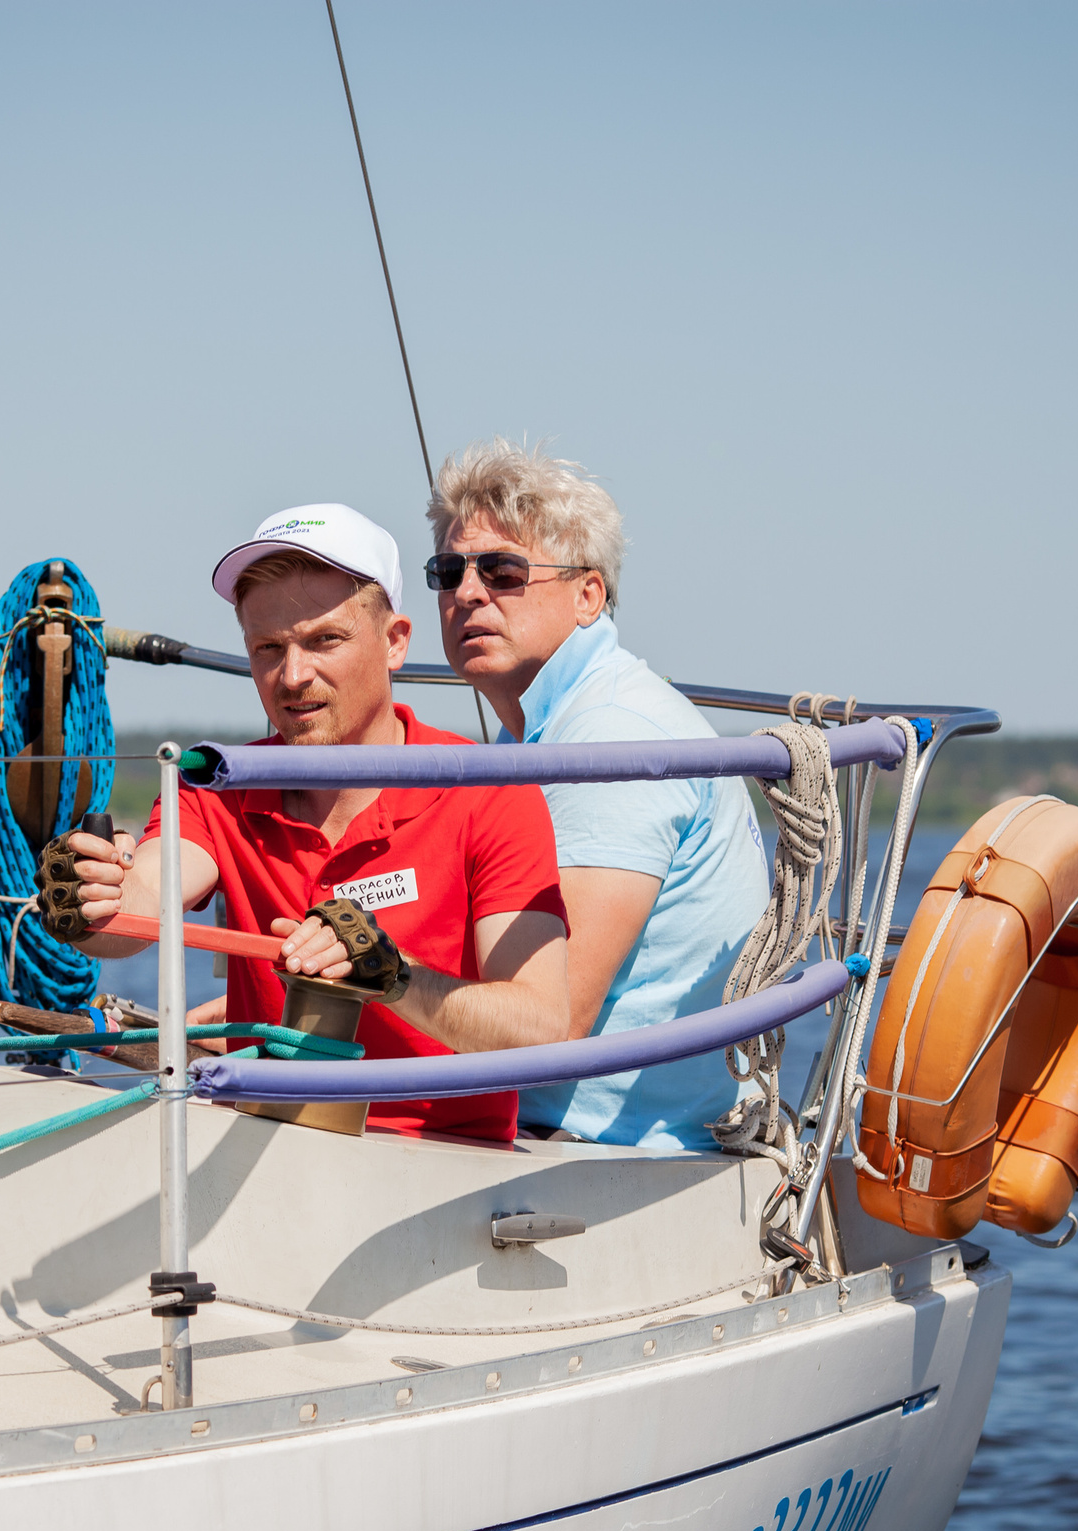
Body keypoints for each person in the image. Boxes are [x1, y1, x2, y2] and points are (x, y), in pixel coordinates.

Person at [48, 503, 569, 1144]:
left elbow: (541, 1027)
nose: (292, 677)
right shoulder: (217, 781)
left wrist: (391, 974)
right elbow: (142, 900)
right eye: (268, 648)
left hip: (441, 1172)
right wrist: (96, 893)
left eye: (325, 640)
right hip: (260, 1152)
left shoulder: (488, 792)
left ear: (395, 641)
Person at [427, 438, 769, 1150]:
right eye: (448, 570)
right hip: (563, 1126)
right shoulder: (550, 729)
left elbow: (552, 1020)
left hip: (608, 1152)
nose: (466, 592)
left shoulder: (609, 738)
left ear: (589, 595)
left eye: (503, 571)